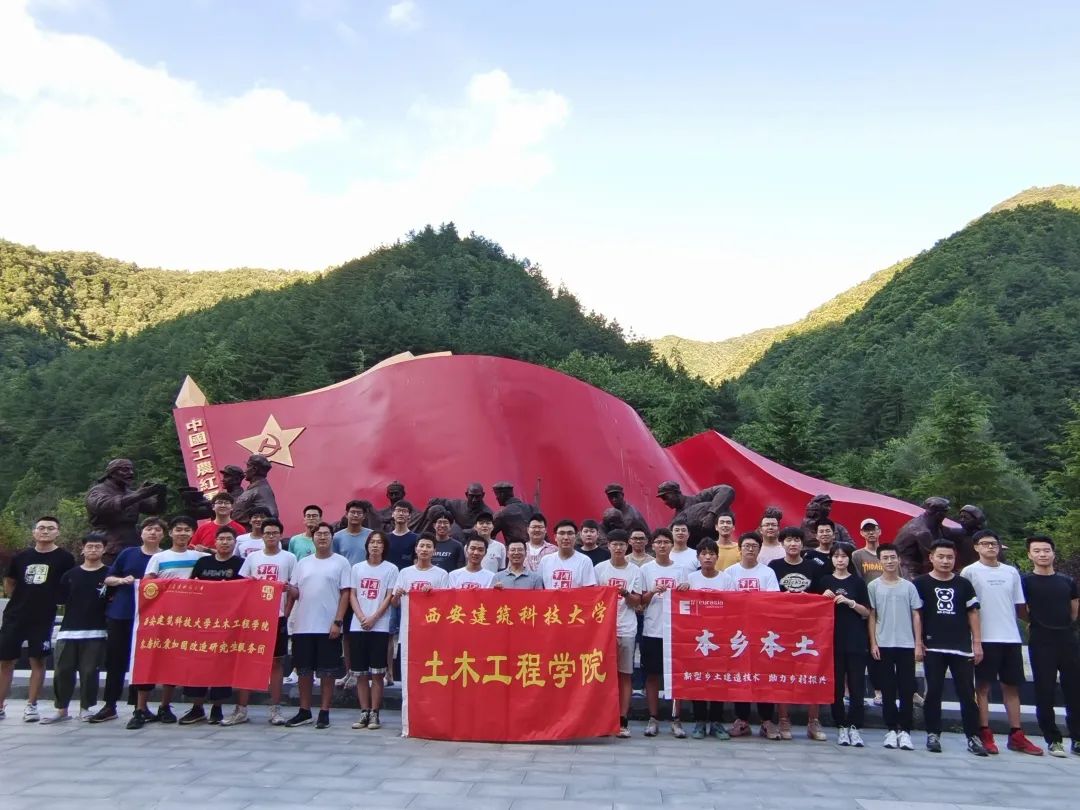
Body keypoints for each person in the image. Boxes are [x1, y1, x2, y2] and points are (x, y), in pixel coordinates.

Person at [960, 529, 1042, 756]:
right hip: (984, 637)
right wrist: (973, 639)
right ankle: (984, 732)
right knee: (983, 687)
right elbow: (966, 607)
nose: (990, 547)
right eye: (985, 543)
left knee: (1012, 686)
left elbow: (1019, 605)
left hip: (1010, 637)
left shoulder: (1011, 572)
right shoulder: (970, 572)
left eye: (994, 543)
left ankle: (1016, 734)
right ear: (976, 547)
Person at [131, 515, 206, 728]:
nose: (182, 533)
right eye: (178, 529)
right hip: (160, 618)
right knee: (150, 658)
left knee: (173, 661)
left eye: (186, 529)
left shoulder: (200, 557)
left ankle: (165, 706)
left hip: (187, 619)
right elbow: (147, 585)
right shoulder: (159, 558)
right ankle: (140, 709)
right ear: (171, 533)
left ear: (192, 533)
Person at [914, 539, 988, 756]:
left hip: (960, 647)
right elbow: (917, 615)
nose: (945, 561)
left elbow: (973, 612)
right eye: (941, 556)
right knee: (933, 692)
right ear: (931, 558)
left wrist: (977, 643)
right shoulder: (920, 583)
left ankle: (973, 736)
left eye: (950, 557)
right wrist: (918, 642)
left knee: (967, 693)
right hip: (933, 646)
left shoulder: (963, 584)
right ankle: (933, 733)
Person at [0, 515, 76, 722]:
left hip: (43, 616)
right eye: (41, 528)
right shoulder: (21, 557)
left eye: (50, 528)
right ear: (34, 532)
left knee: (38, 660)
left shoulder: (65, 558)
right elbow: (10, 581)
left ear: (57, 532)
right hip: (15, 615)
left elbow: (68, 585)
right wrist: (20, 599)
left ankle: (31, 706)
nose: (45, 531)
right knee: (6, 660)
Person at [90, 517, 164, 724]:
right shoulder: (128, 553)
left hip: (151, 617)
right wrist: (122, 580)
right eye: (149, 529)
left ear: (163, 535)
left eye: (157, 530)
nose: (153, 533)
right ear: (141, 533)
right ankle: (110, 704)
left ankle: (141, 707)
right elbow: (108, 578)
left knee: (144, 661)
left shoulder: (165, 557)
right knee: (115, 660)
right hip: (122, 613)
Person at [230, 518, 297, 726]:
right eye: (267, 533)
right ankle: (241, 709)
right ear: (262, 535)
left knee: (276, 662)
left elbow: (295, 590)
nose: (271, 536)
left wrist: (287, 602)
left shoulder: (289, 558)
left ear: (280, 535)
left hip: (277, 617)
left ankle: (275, 709)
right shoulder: (252, 558)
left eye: (275, 533)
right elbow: (241, 587)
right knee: (247, 660)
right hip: (254, 618)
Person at [286, 522, 351, 729]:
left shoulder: (341, 563)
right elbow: (296, 592)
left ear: (332, 537)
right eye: (318, 534)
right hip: (303, 625)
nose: (322, 537)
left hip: (328, 626)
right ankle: (304, 710)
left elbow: (345, 593)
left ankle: (324, 711)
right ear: (312, 538)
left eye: (326, 534)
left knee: (327, 672)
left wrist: (338, 621)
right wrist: (285, 588)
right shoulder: (303, 563)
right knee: (304, 671)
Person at [1020, 535, 1080, 757]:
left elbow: (1074, 608)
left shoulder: (1067, 581)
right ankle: (1053, 739)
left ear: (1053, 553)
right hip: (1041, 640)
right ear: (1030, 555)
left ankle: (1077, 738)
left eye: (1046, 550)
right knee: (1044, 690)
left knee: (1074, 690)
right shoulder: (1025, 582)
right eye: (1037, 551)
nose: (1042, 554)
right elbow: (1021, 610)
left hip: (1067, 639)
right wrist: (1035, 622)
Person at [40, 532, 109, 724]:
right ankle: (61, 709)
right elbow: (59, 599)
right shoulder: (70, 575)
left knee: (89, 672)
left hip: (96, 631)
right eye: (89, 546)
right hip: (69, 630)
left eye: (98, 547)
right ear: (82, 549)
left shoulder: (110, 574)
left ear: (104, 550)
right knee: (62, 671)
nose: (93, 550)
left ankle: (85, 708)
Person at [180, 526, 244, 725]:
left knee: (221, 665)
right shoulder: (203, 562)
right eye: (221, 539)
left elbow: (246, 590)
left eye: (229, 539)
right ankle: (197, 707)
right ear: (214, 542)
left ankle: (217, 707)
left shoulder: (240, 564)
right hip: (202, 622)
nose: (225, 542)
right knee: (198, 663)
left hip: (227, 623)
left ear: (234, 543)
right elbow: (191, 586)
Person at [769, 526, 828, 741]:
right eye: (789, 540)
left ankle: (813, 721)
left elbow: (823, 596)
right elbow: (769, 597)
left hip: (810, 628)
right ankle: (784, 720)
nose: (793, 544)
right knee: (783, 673)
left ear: (802, 544)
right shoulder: (774, 566)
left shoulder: (814, 567)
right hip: (783, 627)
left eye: (796, 540)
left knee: (813, 671)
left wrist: (808, 599)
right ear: (782, 543)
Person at [724, 531, 781, 740]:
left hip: (762, 633)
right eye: (746, 546)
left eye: (754, 546)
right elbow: (726, 601)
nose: (750, 549)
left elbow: (773, 601)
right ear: (739, 549)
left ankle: (767, 721)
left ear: (759, 549)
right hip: (738, 633)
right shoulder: (730, 572)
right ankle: (742, 720)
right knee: (741, 675)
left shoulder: (767, 573)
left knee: (764, 675)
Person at [868, 544, 921, 751]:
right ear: (879, 561)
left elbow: (916, 614)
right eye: (885, 558)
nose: (889, 561)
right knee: (887, 688)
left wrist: (918, 643)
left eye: (892, 557)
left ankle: (905, 730)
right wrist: (873, 642)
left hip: (906, 644)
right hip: (883, 643)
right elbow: (872, 615)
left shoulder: (909, 586)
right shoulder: (873, 586)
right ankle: (891, 728)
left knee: (907, 688)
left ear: (899, 559)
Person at [818, 544, 871, 747]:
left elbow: (866, 612)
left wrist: (850, 603)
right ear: (831, 559)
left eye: (844, 556)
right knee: (837, 687)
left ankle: (855, 727)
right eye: (836, 556)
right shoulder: (825, 581)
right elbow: (812, 608)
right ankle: (841, 725)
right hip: (832, 641)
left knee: (857, 686)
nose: (840, 560)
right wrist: (822, 598)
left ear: (850, 559)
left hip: (856, 640)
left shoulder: (858, 582)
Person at [594, 530, 644, 738]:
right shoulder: (599, 569)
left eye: (622, 544)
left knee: (624, 674)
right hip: (603, 630)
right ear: (608, 546)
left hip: (626, 628)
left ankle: (623, 719)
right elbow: (593, 600)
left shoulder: (635, 571)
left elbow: (638, 602)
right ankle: (603, 718)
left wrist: (624, 593)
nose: (618, 548)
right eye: (614, 544)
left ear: (627, 546)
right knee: (602, 674)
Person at [639, 528, 689, 738]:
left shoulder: (681, 570)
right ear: (653, 545)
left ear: (671, 545)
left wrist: (685, 589)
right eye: (658, 542)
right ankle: (653, 718)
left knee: (676, 676)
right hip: (652, 629)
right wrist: (652, 592)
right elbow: (640, 602)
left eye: (665, 542)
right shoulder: (646, 569)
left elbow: (687, 600)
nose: (662, 545)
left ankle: (676, 719)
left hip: (676, 630)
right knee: (652, 675)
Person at [348, 531, 398, 731]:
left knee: (377, 673)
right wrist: (361, 617)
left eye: (379, 543)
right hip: (358, 625)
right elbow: (352, 594)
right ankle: (364, 711)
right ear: (367, 545)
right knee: (360, 673)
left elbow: (389, 597)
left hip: (380, 626)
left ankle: (375, 713)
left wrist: (374, 617)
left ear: (384, 547)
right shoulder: (357, 568)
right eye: (372, 542)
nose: (375, 545)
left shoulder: (391, 569)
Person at [687, 539, 732, 741]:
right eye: (703, 554)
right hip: (696, 637)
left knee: (718, 680)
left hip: (720, 636)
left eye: (711, 554)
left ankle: (716, 722)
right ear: (698, 557)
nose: (707, 557)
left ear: (717, 557)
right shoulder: (690, 578)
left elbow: (734, 606)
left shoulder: (726, 579)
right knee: (697, 678)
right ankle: (699, 721)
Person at [85, 459, 166, 563]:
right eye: (125, 470)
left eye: (131, 470)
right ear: (112, 473)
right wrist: (139, 494)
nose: (130, 473)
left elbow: (154, 510)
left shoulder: (130, 493)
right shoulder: (98, 490)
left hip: (133, 544)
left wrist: (161, 494)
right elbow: (103, 506)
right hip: (108, 545)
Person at [332, 500, 372, 687]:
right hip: (345, 590)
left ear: (364, 516)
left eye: (359, 513)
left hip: (365, 590)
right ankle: (349, 672)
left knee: (364, 632)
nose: (355, 515)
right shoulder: (337, 537)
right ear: (346, 514)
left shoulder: (371, 536)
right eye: (352, 512)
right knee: (347, 634)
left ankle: (363, 672)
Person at [384, 500, 418, 686]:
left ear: (409, 516)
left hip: (409, 592)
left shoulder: (415, 539)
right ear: (393, 514)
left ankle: (410, 672)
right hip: (390, 592)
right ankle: (388, 673)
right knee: (389, 633)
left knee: (409, 633)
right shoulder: (385, 539)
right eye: (398, 511)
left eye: (405, 511)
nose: (401, 514)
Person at [656, 480, 736, 546]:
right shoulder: (677, 520)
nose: (665, 502)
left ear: (676, 492)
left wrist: (711, 515)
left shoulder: (699, 498)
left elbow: (726, 490)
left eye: (666, 497)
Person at [895, 497, 950, 580]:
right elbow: (931, 561)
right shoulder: (922, 531)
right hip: (906, 570)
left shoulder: (922, 520)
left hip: (911, 566)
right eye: (945, 512)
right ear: (938, 514)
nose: (946, 516)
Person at [392, 533, 451, 604]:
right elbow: (394, 604)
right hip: (408, 611)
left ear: (434, 551)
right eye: (422, 546)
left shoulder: (442, 574)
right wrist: (397, 596)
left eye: (428, 546)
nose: (424, 549)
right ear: (416, 549)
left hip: (431, 611)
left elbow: (446, 602)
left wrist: (433, 592)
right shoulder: (404, 572)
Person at [540, 520, 598, 589]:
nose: (566, 537)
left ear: (575, 537)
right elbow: (539, 590)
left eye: (570, 533)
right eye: (562, 533)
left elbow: (589, 591)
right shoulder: (545, 561)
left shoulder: (585, 561)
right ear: (555, 537)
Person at [230, 453, 278, 526]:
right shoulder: (253, 488)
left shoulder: (262, 490)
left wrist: (253, 520)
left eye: (248, 467)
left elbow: (272, 514)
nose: (245, 471)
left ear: (254, 469)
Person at [491, 481, 537, 546]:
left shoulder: (502, 514)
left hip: (516, 550)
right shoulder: (532, 508)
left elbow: (487, 533)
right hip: (536, 548)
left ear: (502, 494)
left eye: (497, 494)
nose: (496, 498)